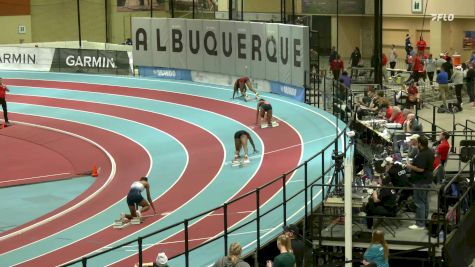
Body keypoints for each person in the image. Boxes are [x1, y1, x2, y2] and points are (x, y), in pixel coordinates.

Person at [405, 136, 434, 230]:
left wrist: (409, 166)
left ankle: (420, 224)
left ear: (420, 144)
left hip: (421, 181)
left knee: (419, 202)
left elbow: (421, 169)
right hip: (427, 180)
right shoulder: (429, 151)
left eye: (417, 142)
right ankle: (424, 220)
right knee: (424, 201)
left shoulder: (423, 154)